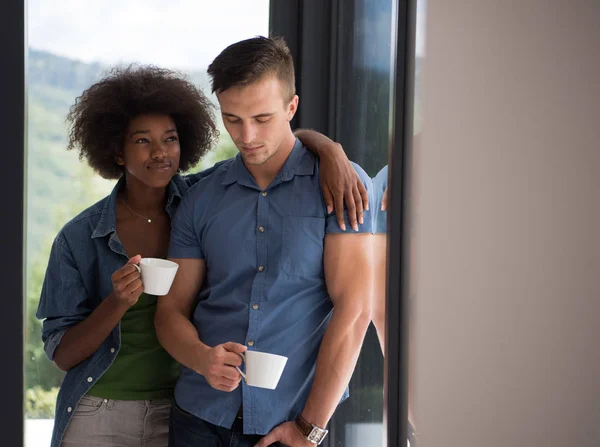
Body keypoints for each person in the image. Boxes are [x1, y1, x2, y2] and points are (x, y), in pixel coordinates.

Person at [36, 65, 367, 447]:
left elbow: (271, 149)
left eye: (170, 139)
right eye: (142, 141)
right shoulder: (80, 237)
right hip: (104, 408)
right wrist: (117, 302)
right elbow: (62, 353)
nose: (160, 152)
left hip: (178, 405)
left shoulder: (197, 197)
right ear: (117, 152)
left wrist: (329, 150)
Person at [154, 36, 375, 447]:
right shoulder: (201, 199)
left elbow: (355, 311)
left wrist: (309, 429)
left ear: (292, 107)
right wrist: (202, 359)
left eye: (262, 117)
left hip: (292, 423)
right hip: (198, 418)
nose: (247, 135)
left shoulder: (341, 187)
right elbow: (169, 313)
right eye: (232, 119)